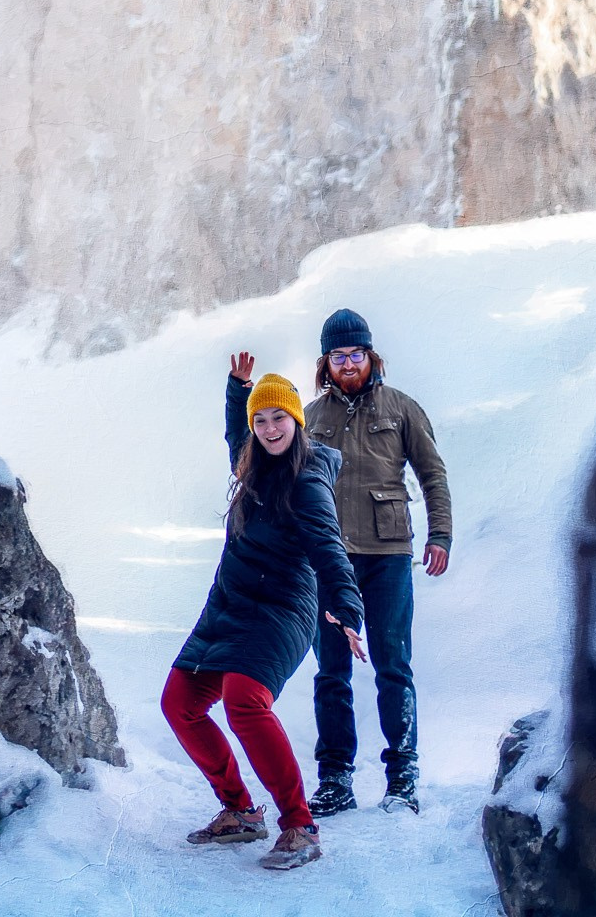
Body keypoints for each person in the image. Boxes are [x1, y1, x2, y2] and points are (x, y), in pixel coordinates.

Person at [161, 352, 367, 872]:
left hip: (282, 607)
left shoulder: (307, 480)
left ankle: (299, 826)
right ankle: (239, 810)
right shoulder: (250, 461)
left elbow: (327, 547)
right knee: (179, 702)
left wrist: (345, 607)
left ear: (296, 422)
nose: (270, 428)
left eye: (280, 418)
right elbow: (236, 434)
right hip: (228, 604)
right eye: (261, 419)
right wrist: (239, 390)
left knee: (244, 700)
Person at [304, 308, 452, 817]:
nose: (349, 364)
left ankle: (402, 778)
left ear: (371, 356)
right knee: (331, 671)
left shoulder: (402, 409)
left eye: (356, 354)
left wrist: (441, 536)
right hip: (329, 560)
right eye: (339, 356)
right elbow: (290, 488)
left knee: (393, 664)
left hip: (389, 556)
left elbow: (433, 475)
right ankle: (335, 779)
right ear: (326, 362)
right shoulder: (310, 418)